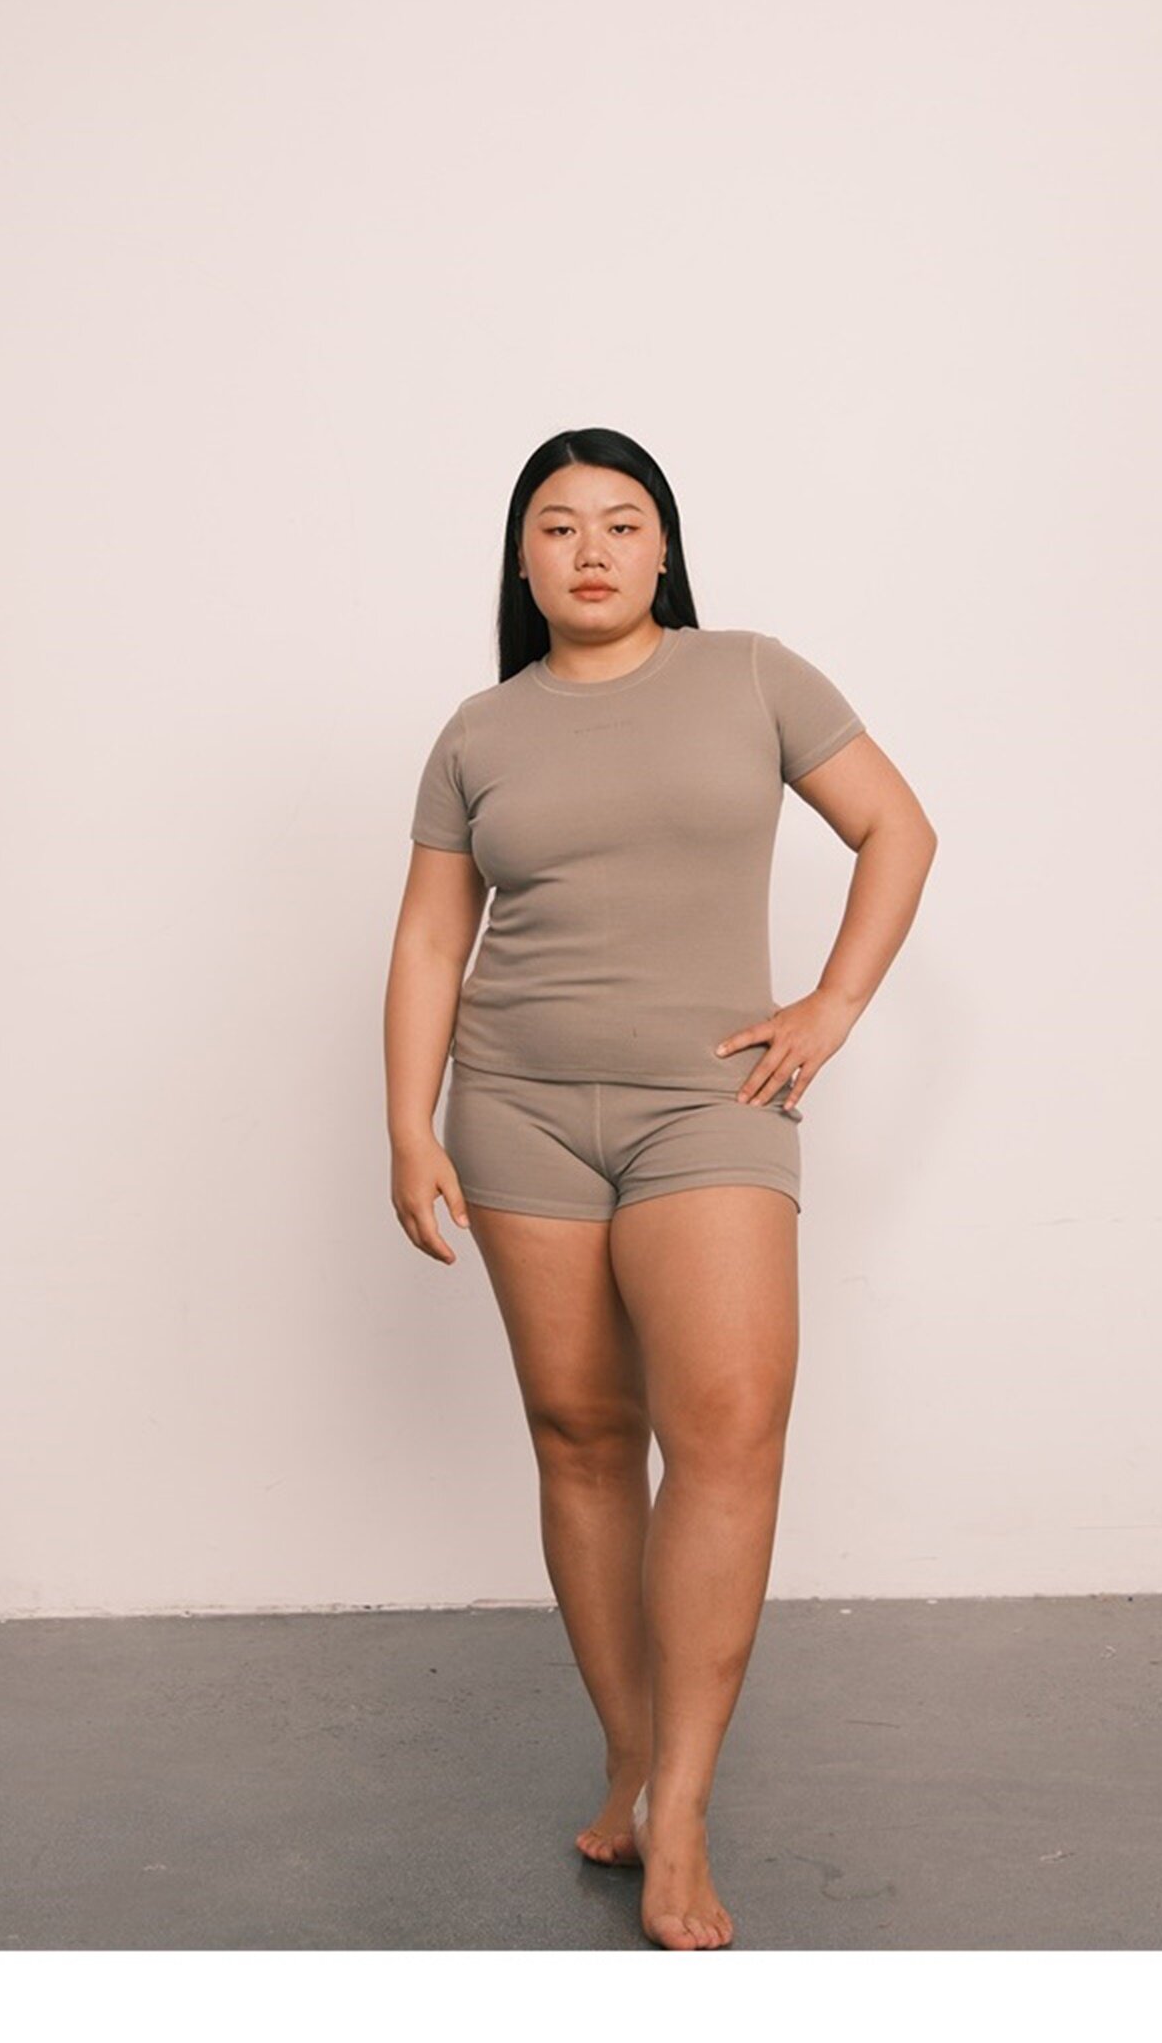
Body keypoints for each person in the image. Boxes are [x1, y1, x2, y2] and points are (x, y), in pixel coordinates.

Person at [384, 428, 937, 1949]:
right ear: (522, 558)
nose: (592, 550)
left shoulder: (753, 675)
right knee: (579, 1434)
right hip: (518, 1109)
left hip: (712, 1101)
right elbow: (431, 936)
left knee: (730, 1427)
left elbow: (897, 826)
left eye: (623, 523)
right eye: (559, 525)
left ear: (666, 547)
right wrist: (410, 1124)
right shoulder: (479, 730)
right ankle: (630, 1761)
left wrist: (831, 1004)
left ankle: (682, 1804)